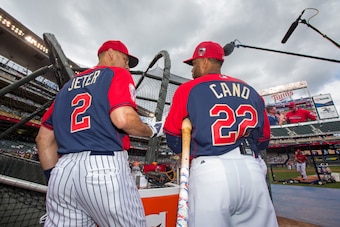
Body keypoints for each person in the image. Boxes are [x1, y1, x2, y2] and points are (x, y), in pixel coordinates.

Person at [35, 40, 163, 227]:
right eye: (125, 60)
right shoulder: (116, 73)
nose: (127, 66)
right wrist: (151, 130)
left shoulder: (67, 87)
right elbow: (123, 119)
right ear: (111, 54)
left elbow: (43, 139)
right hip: (103, 165)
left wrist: (54, 179)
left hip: (62, 171)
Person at [163, 41, 278, 227]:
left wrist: (192, 150)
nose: (192, 71)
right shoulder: (251, 90)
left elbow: (172, 137)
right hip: (252, 172)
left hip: (210, 171)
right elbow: (263, 140)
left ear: (205, 62)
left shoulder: (189, 88)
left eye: (194, 65)